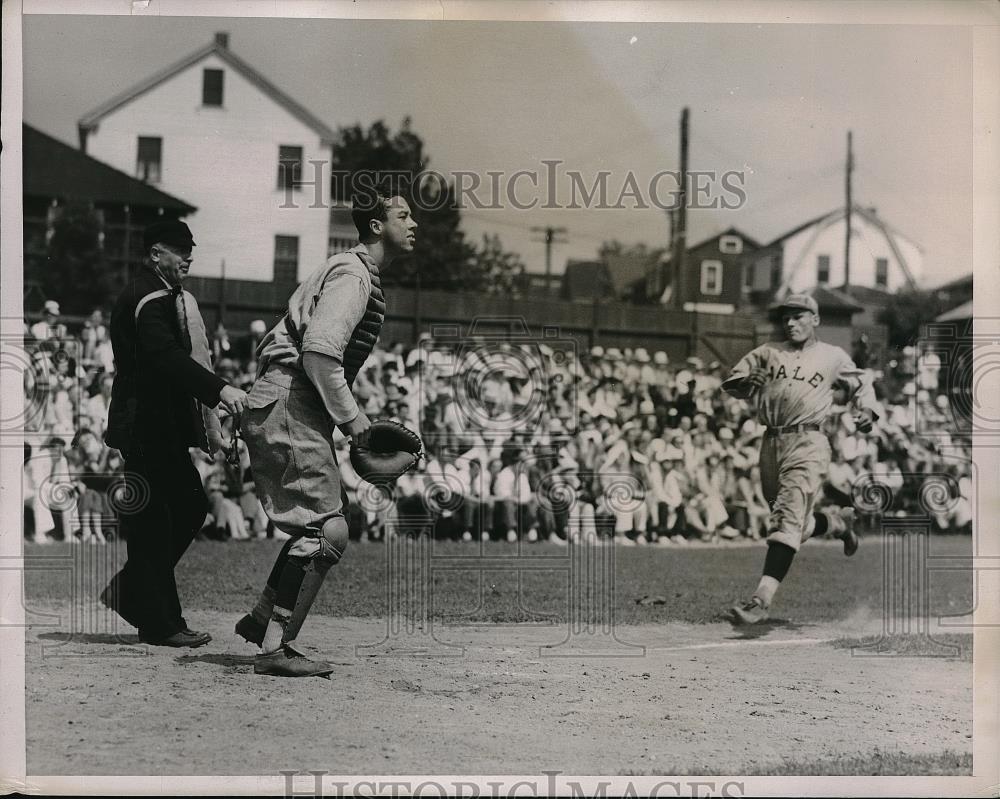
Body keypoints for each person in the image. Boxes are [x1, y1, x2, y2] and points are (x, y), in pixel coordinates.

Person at [234, 191, 417, 677]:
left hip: (291, 399)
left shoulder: (355, 272)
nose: (413, 222)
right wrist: (354, 424)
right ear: (376, 227)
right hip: (290, 395)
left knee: (321, 522)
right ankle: (273, 647)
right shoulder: (355, 276)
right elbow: (318, 353)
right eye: (403, 215)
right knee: (326, 528)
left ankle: (262, 621)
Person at [99, 219, 248, 647]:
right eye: (178, 249)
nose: (188, 256)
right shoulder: (149, 297)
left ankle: (139, 600)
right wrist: (219, 389)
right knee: (164, 519)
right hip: (145, 425)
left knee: (182, 511)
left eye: (190, 249)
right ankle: (158, 620)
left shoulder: (157, 294)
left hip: (153, 425)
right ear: (154, 255)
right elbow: (164, 356)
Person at [722, 294, 878, 625]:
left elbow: (862, 382)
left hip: (809, 440)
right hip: (771, 442)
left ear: (815, 319)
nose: (790, 322)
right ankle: (837, 523)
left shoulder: (832, 356)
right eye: (786, 318)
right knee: (792, 522)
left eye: (798, 316)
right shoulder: (767, 352)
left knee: (786, 520)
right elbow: (733, 383)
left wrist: (867, 411)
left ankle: (760, 599)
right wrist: (747, 383)